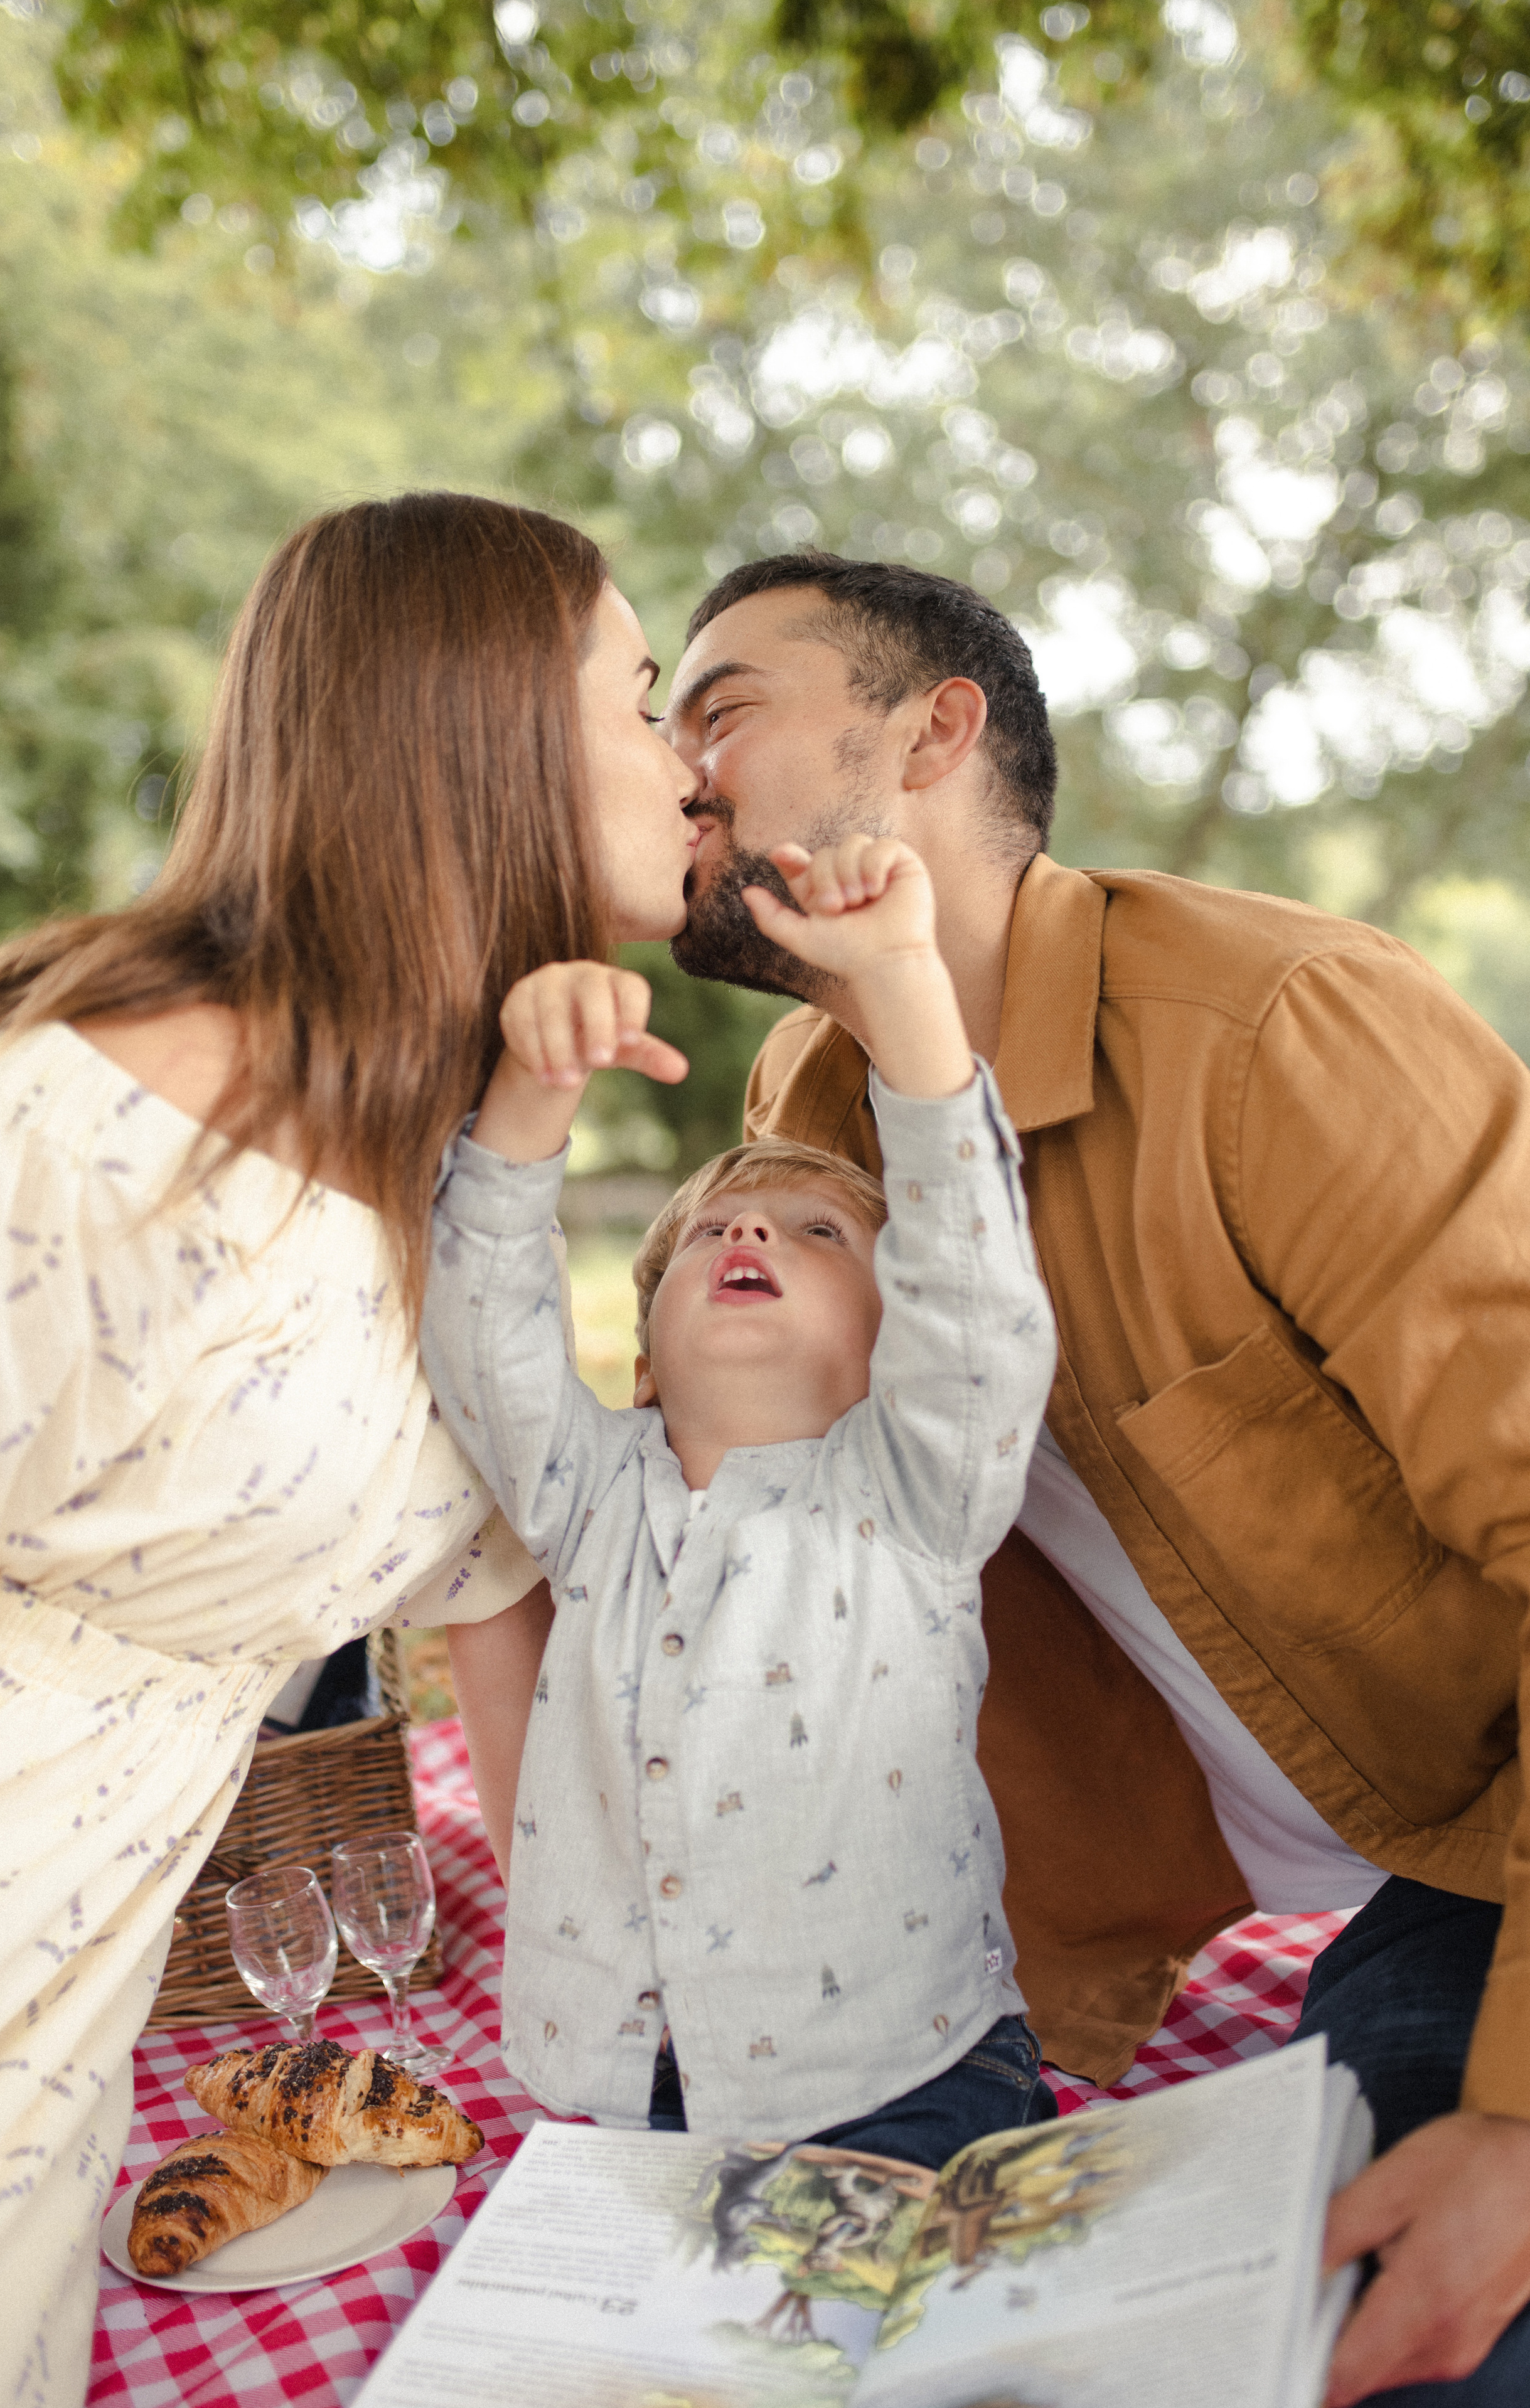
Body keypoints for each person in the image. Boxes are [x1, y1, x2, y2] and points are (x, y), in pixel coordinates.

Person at [648, 550, 1530, 2408]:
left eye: (718, 706)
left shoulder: (1279, 1029)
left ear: (935, 733)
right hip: (1114, 1882)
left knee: (1404, 2323)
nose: (675, 774)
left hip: (1483, 1835)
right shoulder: (806, 1103)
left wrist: (1522, 2120)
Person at [0, 491, 699, 2407]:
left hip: (53, 2025)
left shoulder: (450, 1163)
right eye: (646, 697)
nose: (689, 768)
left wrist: (617, 2069)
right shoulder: (70, 1125)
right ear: (490, 727)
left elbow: (502, 1601)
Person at [421, 833, 1058, 2166]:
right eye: (706, 1232)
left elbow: (979, 1296)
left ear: (896, 1342)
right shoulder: (586, 1491)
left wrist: (903, 992)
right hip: (606, 2082)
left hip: (902, 2073)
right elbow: (486, 1329)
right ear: (646, 1352)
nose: (747, 1232)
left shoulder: (913, 1489)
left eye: (819, 1233)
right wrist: (534, 1095)